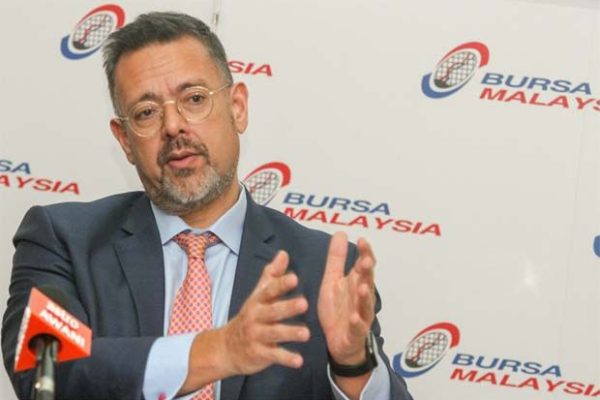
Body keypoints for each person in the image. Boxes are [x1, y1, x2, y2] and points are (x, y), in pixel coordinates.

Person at [1, 11, 412, 400]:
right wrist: (217, 350)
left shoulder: (322, 268)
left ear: (238, 108)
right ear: (124, 139)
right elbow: (40, 369)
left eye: (194, 99)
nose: (173, 126)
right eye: (146, 112)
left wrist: (353, 364)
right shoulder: (65, 241)